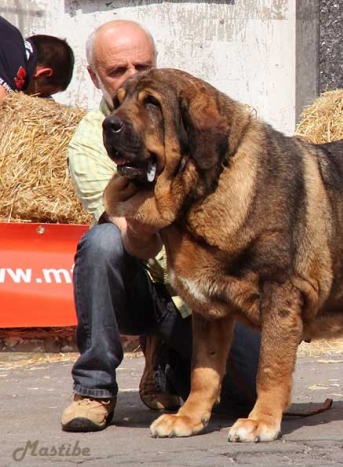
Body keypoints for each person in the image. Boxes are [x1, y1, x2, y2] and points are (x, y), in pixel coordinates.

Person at [61, 19, 261, 432]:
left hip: (196, 289)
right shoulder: (90, 142)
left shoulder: (193, 120)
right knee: (100, 243)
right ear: (94, 77)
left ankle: (167, 363)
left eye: (142, 65)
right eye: (118, 71)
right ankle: (93, 390)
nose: (132, 77)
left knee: (249, 395)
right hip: (143, 280)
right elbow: (135, 245)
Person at [0, 15, 74, 100]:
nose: (38, 99)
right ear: (43, 74)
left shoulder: (12, 35)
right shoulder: (16, 71)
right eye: (43, 94)